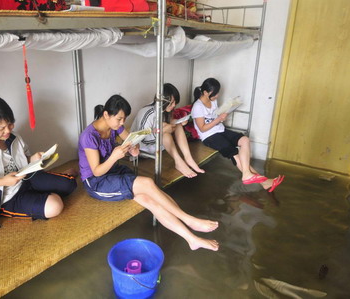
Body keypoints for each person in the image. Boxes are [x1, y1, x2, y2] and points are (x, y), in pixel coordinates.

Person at [78, 95, 219, 251]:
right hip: (97, 182)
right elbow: (97, 172)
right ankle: (189, 219)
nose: (122, 123)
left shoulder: (115, 125)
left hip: (114, 171)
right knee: (148, 183)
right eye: (119, 119)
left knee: (150, 201)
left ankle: (192, 239)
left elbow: (131, 140)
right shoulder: (89, 136)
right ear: (106, 115)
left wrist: (133, 148)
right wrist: (114, 157)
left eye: (124, 119)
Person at [0, 96, 77, 227]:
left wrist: (33, 158)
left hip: (27, 179)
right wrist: (2, 181)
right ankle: (45, 195)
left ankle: (47, 190)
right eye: (1, 128)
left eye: (10, 124)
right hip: (5, 196)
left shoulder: (13, 137)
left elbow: (22, 160)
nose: (8, 130)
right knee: (55, 207)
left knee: (70, 184)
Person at [191, 78, 284, 192]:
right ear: (205, 93)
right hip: (209, 136)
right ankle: (261, 181)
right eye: (214, 94)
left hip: (220, 130)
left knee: (244, 140)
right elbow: (202, 128)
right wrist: (218, 119)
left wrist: (221, 118)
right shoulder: (197, 107)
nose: (217, 96)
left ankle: (248, 175)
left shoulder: (213, 101)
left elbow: (215, 117)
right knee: (233, 152)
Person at [130, 83, 204, 178]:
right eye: (171, 102)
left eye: (175, 103)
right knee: (165, 133)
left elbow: (165, 123)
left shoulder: (163, 110)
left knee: (177, 125)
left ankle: (188, 158)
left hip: (157, 145)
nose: (173, 105)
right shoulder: (147, 113)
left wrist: (177, 122)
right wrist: (163, 130)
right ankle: (179, 162)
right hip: (142, 148)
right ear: (163, 100)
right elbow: (142, 139)